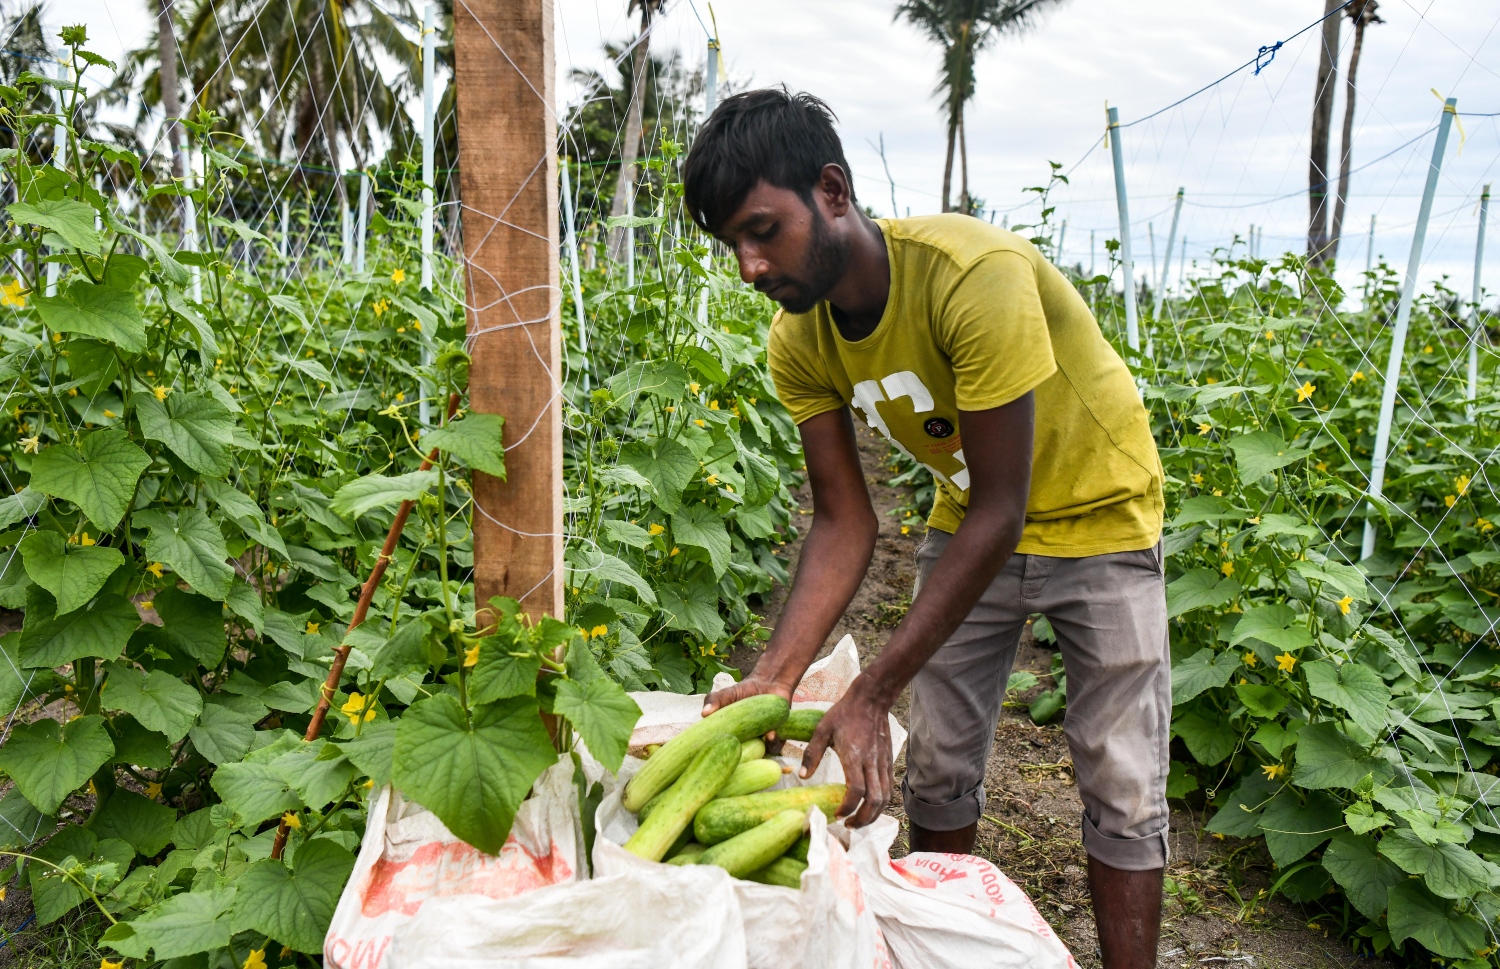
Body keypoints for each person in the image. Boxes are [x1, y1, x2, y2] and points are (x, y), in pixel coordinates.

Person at [683, 88, 1168, 969]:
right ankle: (957, 943)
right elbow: (843, 518)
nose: (749, 266)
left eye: (762, 231)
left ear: (832, 191)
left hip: (1100, 513)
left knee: (1123, 781)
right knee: (940, 766)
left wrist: (871, 691)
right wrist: (772, 680)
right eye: (732, 245)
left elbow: (1003, 508)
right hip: (968, 512)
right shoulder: (799, 340)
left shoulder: (970, 276)